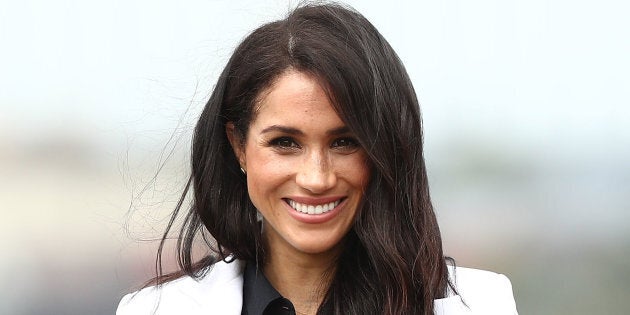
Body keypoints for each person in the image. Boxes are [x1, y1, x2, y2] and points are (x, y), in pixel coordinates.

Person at [117, 3, 518, 315]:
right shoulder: (157, 309)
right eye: (285, 143)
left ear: (384, 151)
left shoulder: (479, 305)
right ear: (238, 145)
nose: (316, 177)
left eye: (345, 142)